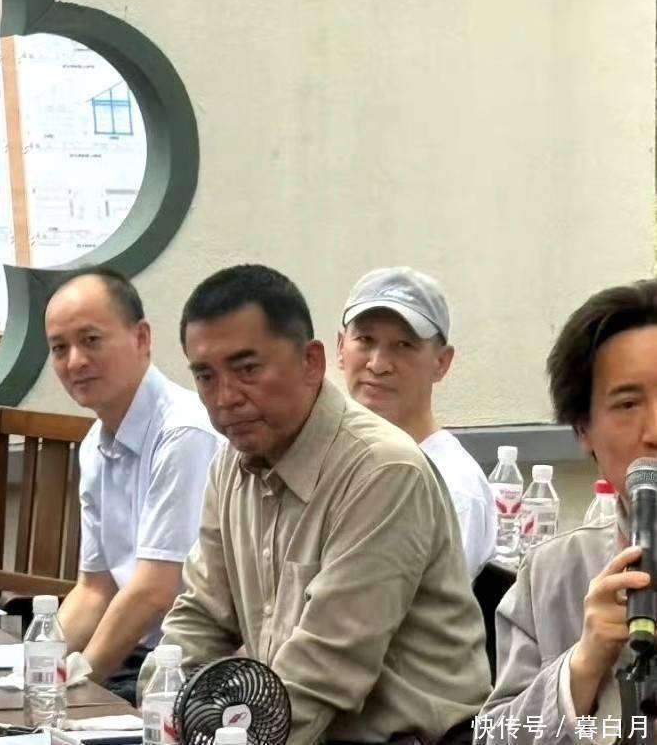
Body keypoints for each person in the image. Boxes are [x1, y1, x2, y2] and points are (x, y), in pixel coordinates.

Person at [151, 264, 491, 745]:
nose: (225, 398)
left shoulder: (383, 471)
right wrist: (163, 709)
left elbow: (322, 672)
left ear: (312, 361)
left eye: (247, 370)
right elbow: (200, 618)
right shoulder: (232, 460)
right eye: (205, 376)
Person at [478, 279, 657, 742]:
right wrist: (582, 665)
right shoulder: (550, 573)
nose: (654, 430)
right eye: (628, 404)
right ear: (583, 430)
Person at [44, 266, 220, 706]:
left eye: (91, 340)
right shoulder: (94, 443)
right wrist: (34, 672)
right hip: (132, 654)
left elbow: (155, 590)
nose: (75, 361)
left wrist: (74, 688)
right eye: (59, 348)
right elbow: (94, 589)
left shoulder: (183, 432)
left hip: (186, 668)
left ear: (141, 338)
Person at [337, 266, 496, 579]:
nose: (378, 364)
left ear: (441, 362)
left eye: (403, 345)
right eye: (365, 340)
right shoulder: (324, 462)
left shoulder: (452, 488)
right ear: (341, 348)